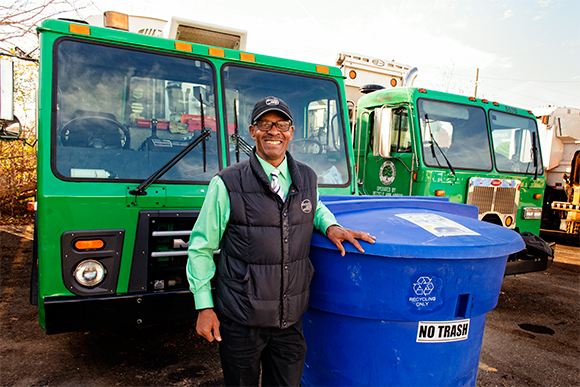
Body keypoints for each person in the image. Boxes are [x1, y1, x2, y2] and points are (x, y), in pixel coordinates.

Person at [186, 96, 376, 387]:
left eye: (281, 124)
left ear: (291, 131)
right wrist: (204, 307)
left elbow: (314, 206)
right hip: (241, 319)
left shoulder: (307, 177)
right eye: (265, 124)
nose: (273, 131)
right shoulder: (227, 183)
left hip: (289, 320)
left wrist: (331, 225)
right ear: (252, 131)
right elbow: (201, 248)